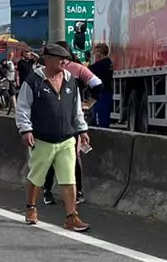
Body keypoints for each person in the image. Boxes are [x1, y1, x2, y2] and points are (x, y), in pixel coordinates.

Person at [16, 42, 91, 230]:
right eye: (60, 59)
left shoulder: (71, 81)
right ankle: (31, 208)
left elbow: (76, 110)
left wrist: (82, 130)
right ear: (48, 60)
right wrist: (26, 130)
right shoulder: (33, 81)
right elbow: (22, 107)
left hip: (67, 139)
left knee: (69, 179)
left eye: (66, 59)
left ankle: (71, 217)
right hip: (42, 138)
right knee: (37, 177)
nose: (64, 62)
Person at [87, 43, 114, 128]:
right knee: (105, 116)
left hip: (102, 93)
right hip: (107, 92)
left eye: (96, 51)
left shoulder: (101, 64)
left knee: (100, 118)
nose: (94, 54)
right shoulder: (108, 62)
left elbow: (87, 71)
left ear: (100, 52)